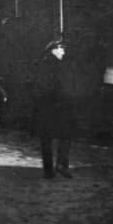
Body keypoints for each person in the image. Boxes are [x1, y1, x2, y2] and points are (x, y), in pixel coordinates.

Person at [33, 40, 76, 179]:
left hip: (55, 107)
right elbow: (43, 87)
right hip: (51, 107)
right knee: (53, 137)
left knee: (57, 137)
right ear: (54, 50)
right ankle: (55, 168)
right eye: (61, 49)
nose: (64, 51)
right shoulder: (46, 65)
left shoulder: (55, 64)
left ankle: (53, 169)